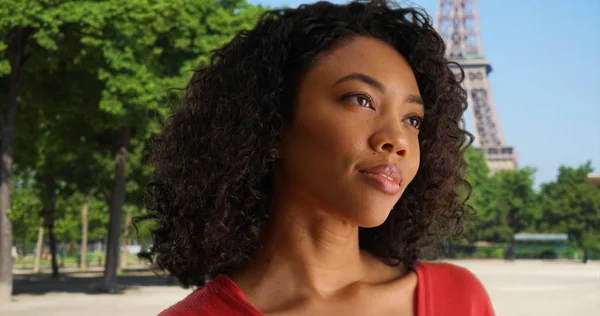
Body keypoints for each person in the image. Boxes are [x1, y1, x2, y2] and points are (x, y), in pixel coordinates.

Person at [148, 0, 494, 315]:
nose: (398, 140)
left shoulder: (460, 299)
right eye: (361, 99)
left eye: (413, 120)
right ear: (273, 122)